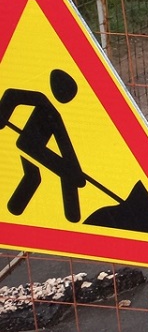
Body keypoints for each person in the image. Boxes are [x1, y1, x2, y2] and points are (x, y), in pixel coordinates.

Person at [0, 69, 86, 222]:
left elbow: (65, 145)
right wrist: (3, 115)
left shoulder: (55, 114)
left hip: (35, 149)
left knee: (35, 177)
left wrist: (75, 170)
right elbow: (12, 96)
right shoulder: (42, 100)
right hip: (29, 145)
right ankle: (72, 213)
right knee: (41, 175)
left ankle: (72, 215)